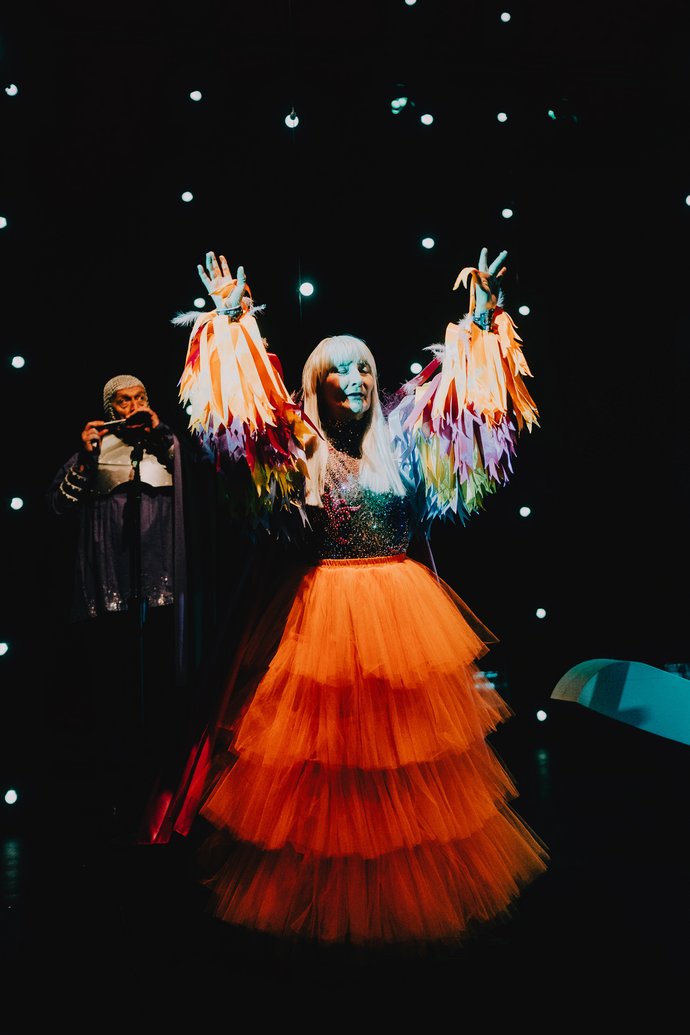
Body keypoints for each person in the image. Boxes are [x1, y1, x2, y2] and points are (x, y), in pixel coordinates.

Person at [158, 245, 548, 950]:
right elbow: (237, 415)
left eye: (362, 366)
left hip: (401, 611)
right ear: (315, 384)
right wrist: (231, 328)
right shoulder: (299, 446)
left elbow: (472, 409)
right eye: (337, 369)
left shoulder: (400, 436)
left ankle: (401, 901)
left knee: (402, 766)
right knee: (327, 765)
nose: (354, 378)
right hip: (323, 614)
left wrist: (483, 329)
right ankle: (321, 902)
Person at [47, 375, 207, 842]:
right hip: (112, 589)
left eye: (139, 397)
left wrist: (163, 434)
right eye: (123, 400)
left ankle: (161, 795)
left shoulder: (166, 446)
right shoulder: (96, 450)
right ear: (109, 406)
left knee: (158, 686)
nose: (133, 405)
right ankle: (118, 794)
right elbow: (58, 504)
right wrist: (85, 453)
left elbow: (199, 482)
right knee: (113, 687)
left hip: (160, 589)